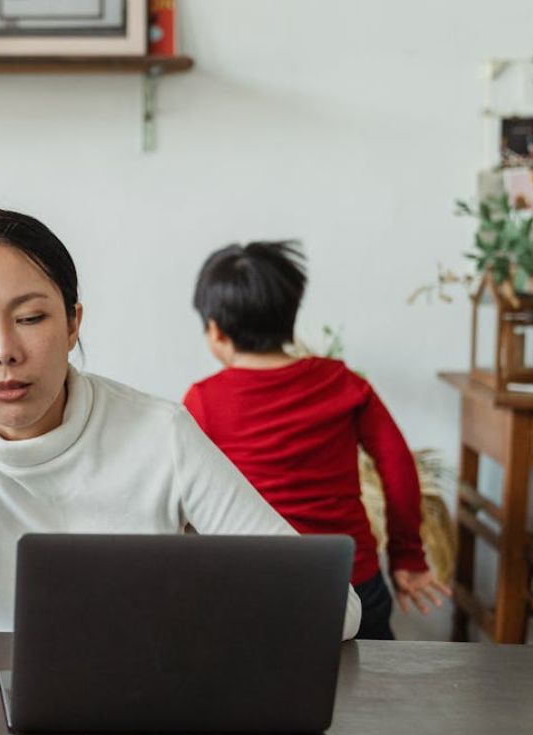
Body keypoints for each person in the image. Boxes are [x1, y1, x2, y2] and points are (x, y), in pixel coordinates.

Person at [0, 209, 361, 642]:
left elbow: (336, 611)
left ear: (72, 324)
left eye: (32, 318)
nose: (3, 352)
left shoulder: (160, 433)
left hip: (139, 695)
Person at [181, 241, 450, 640]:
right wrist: (407, 555)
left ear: (216, 331)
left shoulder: (203, 400)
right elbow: (398, 467)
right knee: (372, 696)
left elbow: (187, 496)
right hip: (352, 583)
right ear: (291, 317)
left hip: (257, 589)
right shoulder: (344, 383)